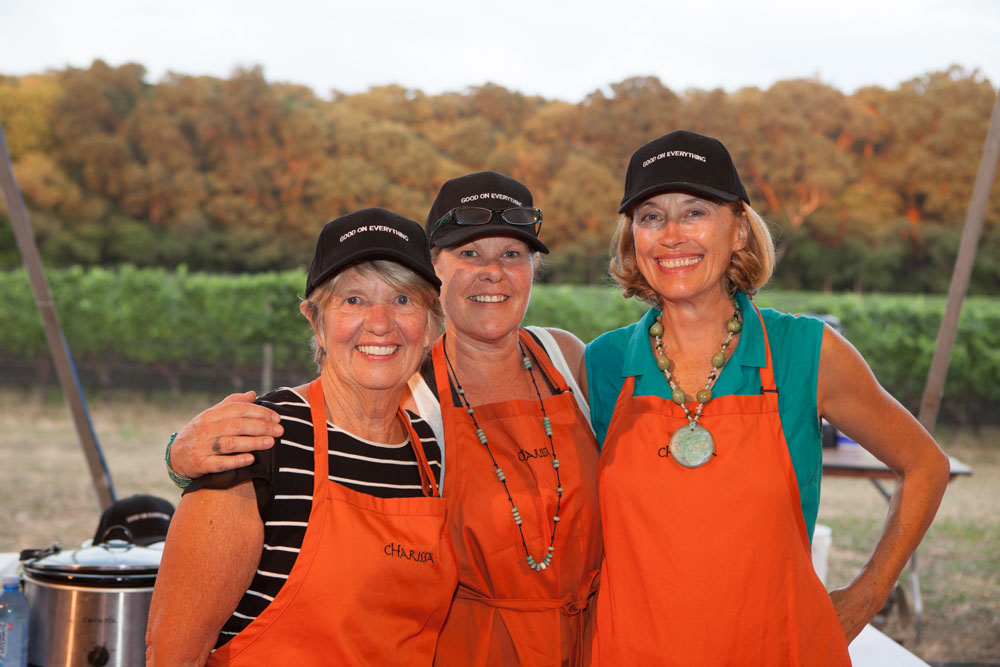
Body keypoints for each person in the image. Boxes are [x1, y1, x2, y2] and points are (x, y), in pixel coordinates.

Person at [164, 172, 602, 666]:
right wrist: (182, 456)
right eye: (469, 254)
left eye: (512, 254)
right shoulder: (403, 398)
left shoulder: (566, 359)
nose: (492, 272)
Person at [584, 130, 951, 664]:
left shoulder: (805, 351)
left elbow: (925, 465)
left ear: (737, 230)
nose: (671, 234)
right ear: (632, 239)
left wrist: (868, 594)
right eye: (650, 217)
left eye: (694, 212)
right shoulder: (602, 363)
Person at [146, 208, 457, 665]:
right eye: (352, 300)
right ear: (316, 321)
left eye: (403, 300)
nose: (380, 322)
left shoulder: (429, 454)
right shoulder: (260, 440)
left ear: (432, 325)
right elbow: (173, 653)